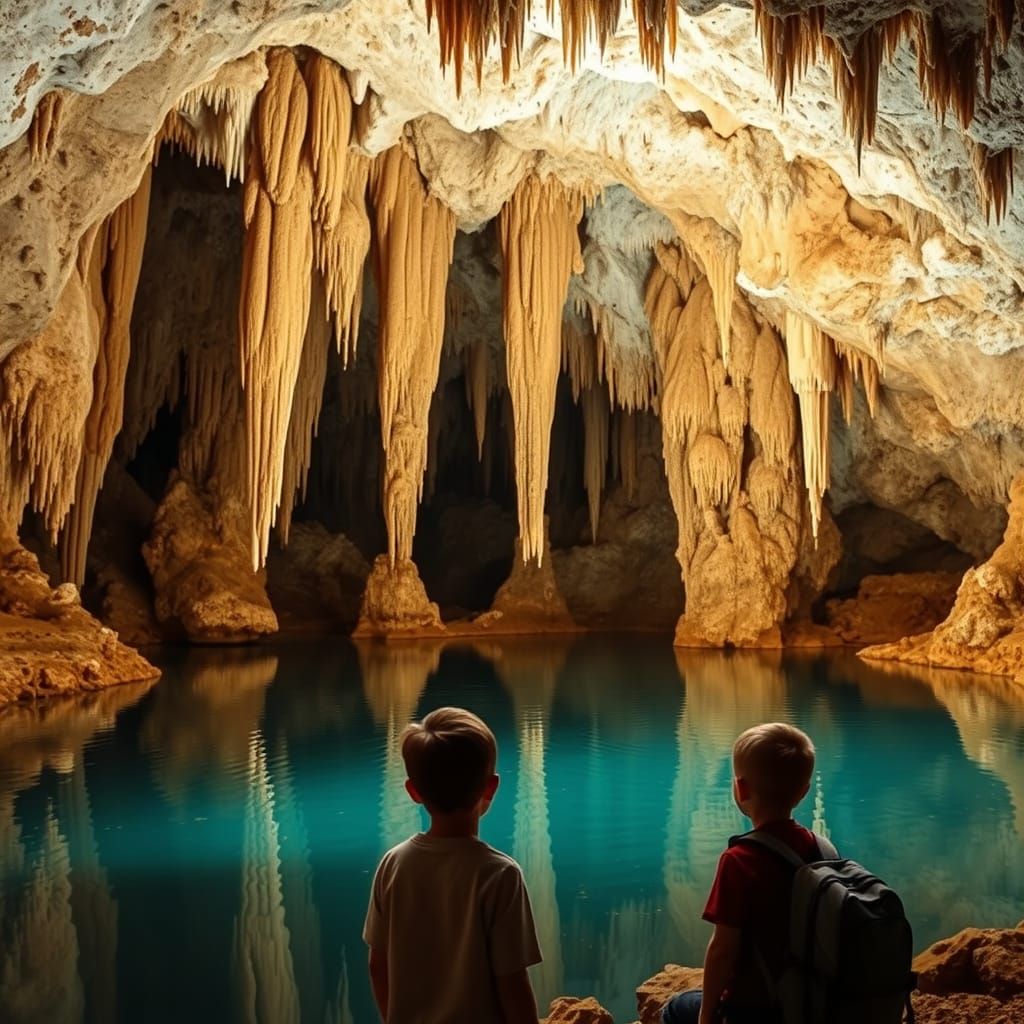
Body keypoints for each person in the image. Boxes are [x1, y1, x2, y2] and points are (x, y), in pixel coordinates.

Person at [363, 706, 542, 1023]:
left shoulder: (392, 865)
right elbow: (512, 984)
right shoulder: (500, 875)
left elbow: (378, 966)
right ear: (491, 787)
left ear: (413, 791)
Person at [662, 722, 820, 1024]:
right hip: (809, 998)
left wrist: (707, 1014)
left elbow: (723, 948)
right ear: (803, 792)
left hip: (757, 1008)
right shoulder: (820, 848)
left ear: (740, 788)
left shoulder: (740, 861)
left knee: (676, 1008)